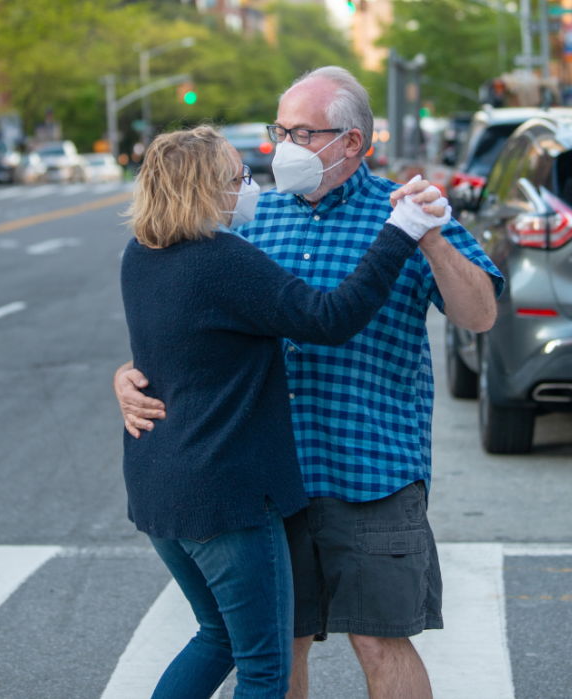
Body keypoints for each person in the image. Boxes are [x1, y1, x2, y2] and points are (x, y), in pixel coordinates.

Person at [115, 67, 503, 699]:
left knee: (381, 640)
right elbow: (187, 316)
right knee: (279, 645)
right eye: (279, 130)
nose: (282, 147)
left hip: (370, 469)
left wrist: (430, 238)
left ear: (350, 142)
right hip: (266, 480)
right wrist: (128, 375)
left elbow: (479, 316)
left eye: (300, 132)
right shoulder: (251, 220)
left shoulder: (403, 213)